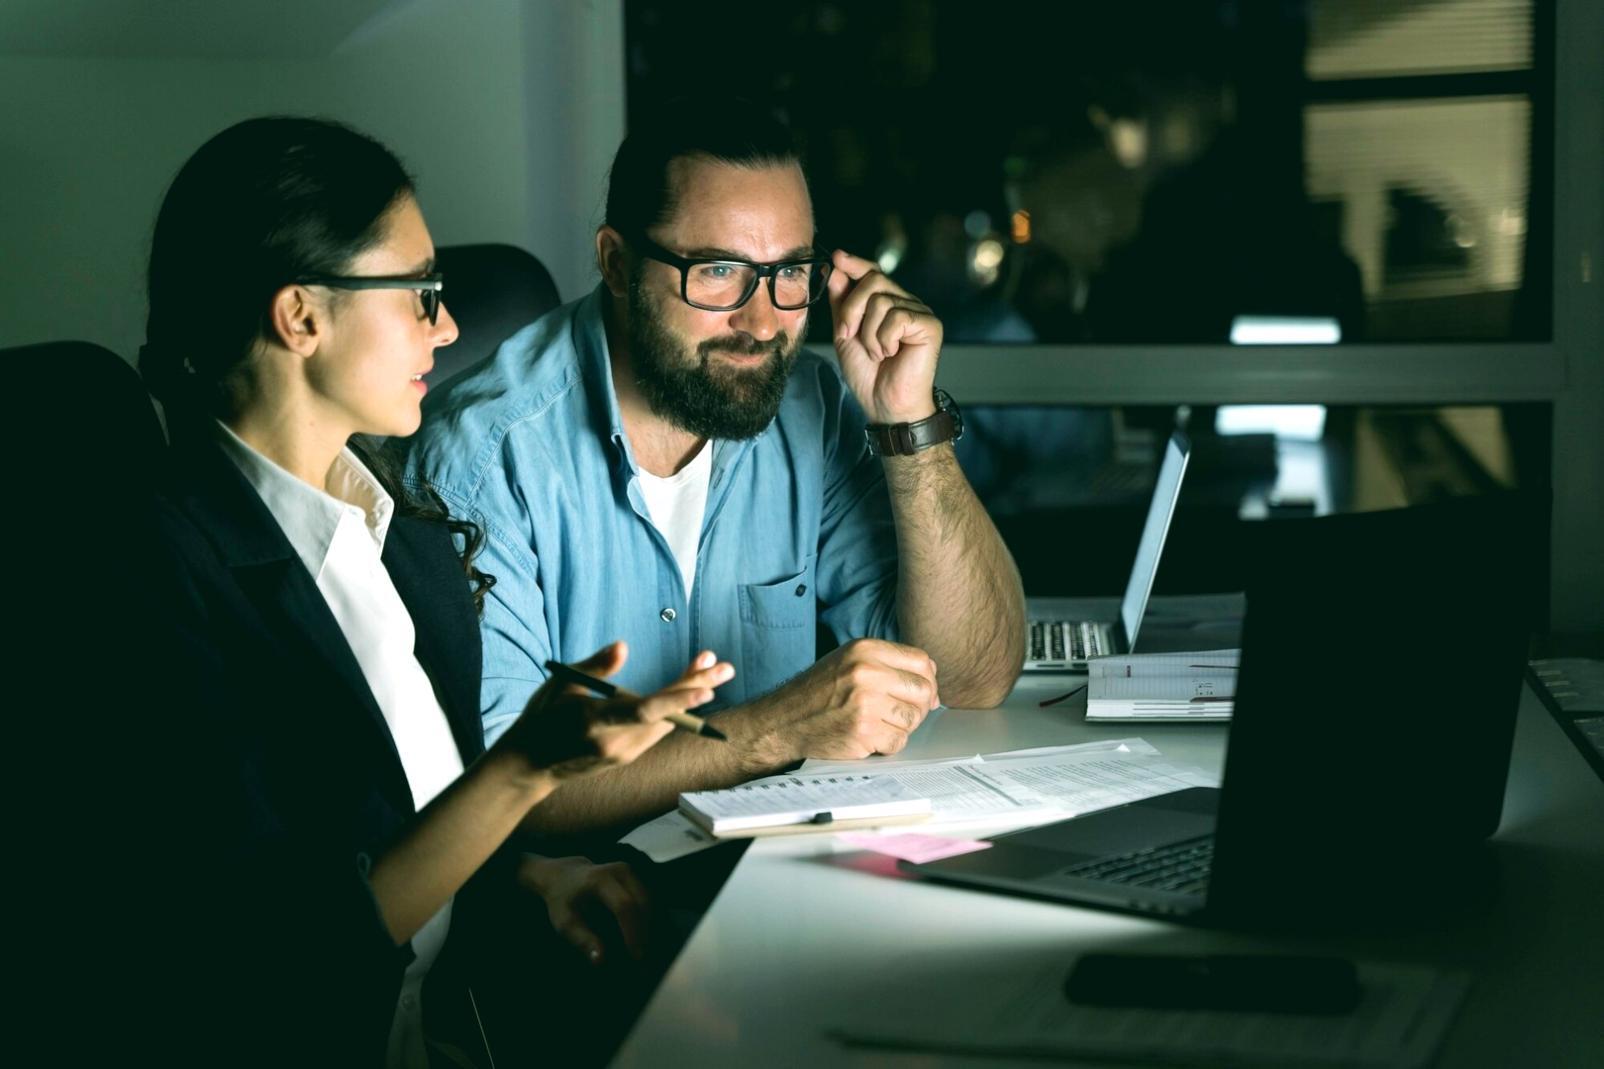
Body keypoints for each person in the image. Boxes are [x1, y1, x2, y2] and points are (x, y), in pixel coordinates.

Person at [123, 116, 733, 1068]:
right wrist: (523, 772)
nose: (447, 327)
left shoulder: (397, 529)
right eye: (419, 294)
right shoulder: (154, 576)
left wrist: (527, 875)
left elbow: (413, 832)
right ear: (302, 317)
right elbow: (276, 955)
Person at [405, 101, 1026, 835]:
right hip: (601, 909)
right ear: (615, 262)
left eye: (788, 272)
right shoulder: (481, 457)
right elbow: (497, 795)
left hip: (780, 874)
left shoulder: (811, 410)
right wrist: (779, 730)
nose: (762, 323)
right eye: (719, 271)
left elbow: (970, 677)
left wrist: (909, 424)